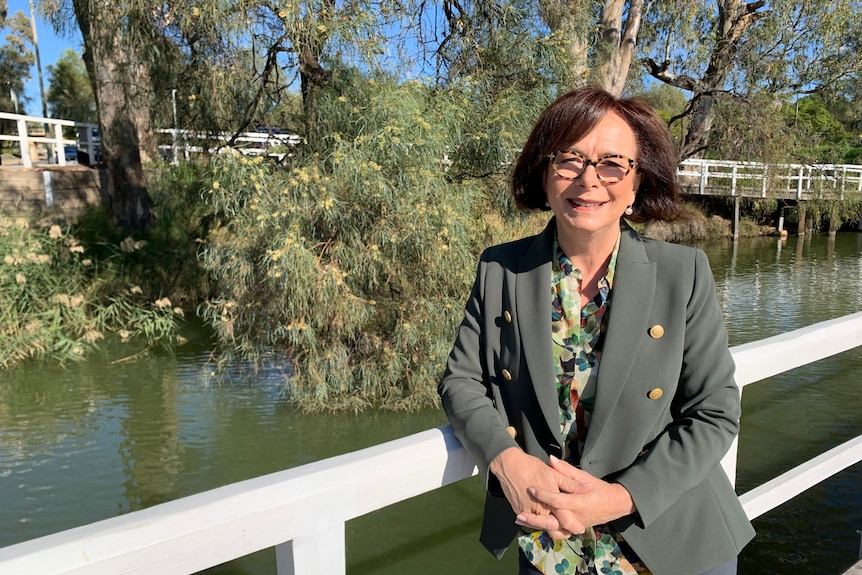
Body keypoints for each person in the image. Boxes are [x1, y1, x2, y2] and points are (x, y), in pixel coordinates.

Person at [437, 85, 755, 575]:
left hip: (664, 537)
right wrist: (507, 460)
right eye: (569, 159)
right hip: (547, 540)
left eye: (611, 164)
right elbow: (461, 380)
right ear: (545, 174)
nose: (588, 181)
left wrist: (618, 498)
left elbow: (714, 412)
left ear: (636, 183)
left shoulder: (682, 273)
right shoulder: (501, 270)